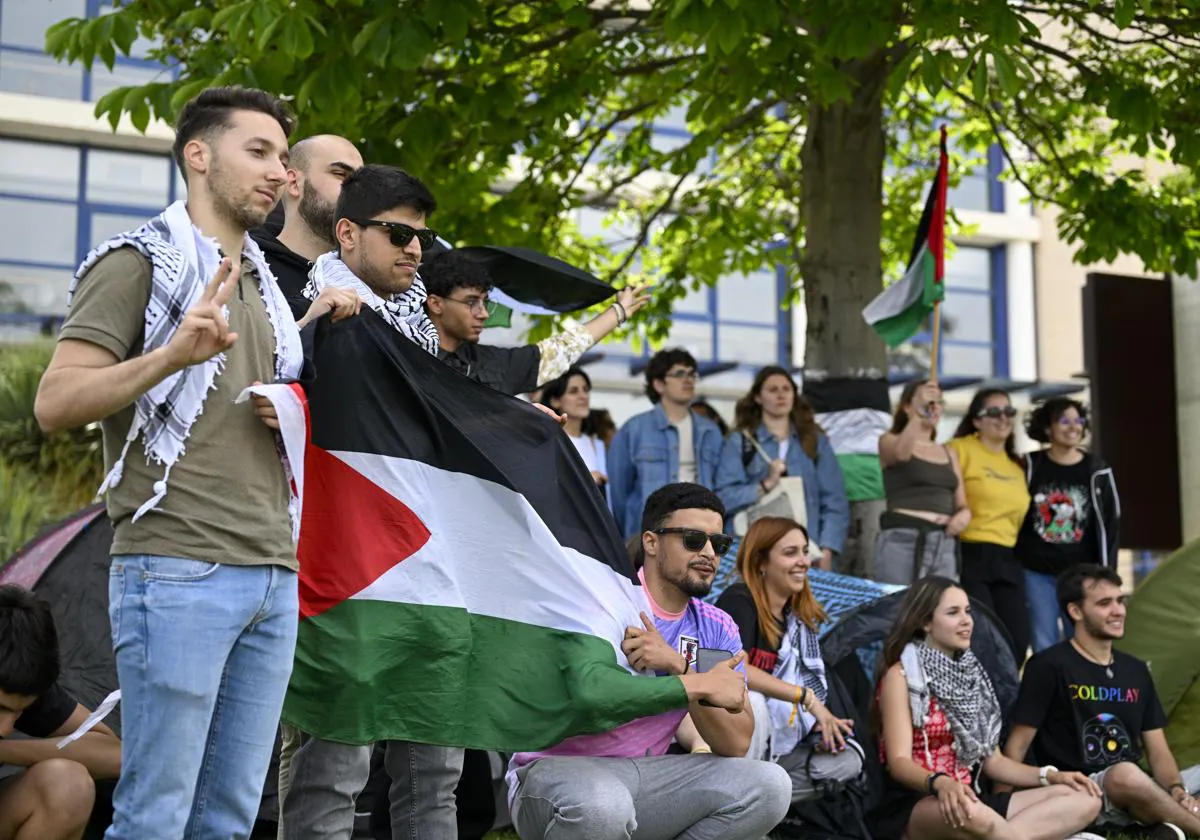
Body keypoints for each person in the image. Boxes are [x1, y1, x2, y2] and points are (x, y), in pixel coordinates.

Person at [33, 86, 342, 840]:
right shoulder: (138, 263)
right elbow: (56, 402)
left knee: (229, 822)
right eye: (258, 152)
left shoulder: (268, 294)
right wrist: (172, 355)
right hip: (176, 567)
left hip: (271, 573)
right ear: (198, 156)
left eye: (282, 157)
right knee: (155, 816)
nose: (280, 174)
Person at [505, 483, 792, 840]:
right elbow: (589, 699)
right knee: (604, 806)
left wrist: (680, 668)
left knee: (769, 785)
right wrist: (698, 682)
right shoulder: (602, 601)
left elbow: (734, 744)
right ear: (651, 542)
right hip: (555, 770)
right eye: (692, 539)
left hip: (647, 775)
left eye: (718, 544)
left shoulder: (715, 627)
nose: (708, 553)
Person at [872, 576, 1104, 840]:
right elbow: (898, 762)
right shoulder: (900, 676)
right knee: (980, 816)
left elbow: (994, 763)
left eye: (968, 611)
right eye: (953, 613)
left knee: (1086, 797)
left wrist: (1051, 776)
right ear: (925, 622)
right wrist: (940, 782)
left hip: (971, 797)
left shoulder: (973, 676)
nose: (966, 621)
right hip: (918, 801)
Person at [1004, 564, 1200, 839]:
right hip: (1083, 792)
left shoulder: (1136, 670)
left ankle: (1163, 823)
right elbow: (1018, 745)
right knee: (1125, 774)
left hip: (1140, 789)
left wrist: (1177, 790)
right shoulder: (1049, 665)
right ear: (1075, 612)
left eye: (1120, 601)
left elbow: (1158, 750)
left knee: (1157, 776)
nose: (1118, 611)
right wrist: (1000, 806)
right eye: (1105, 603)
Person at [714, 517, 865, 802]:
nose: (804, 561)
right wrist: (805, 698)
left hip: (777, 746)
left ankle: (757, 806)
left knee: (848, 760)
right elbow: (733, 668)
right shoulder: (738, 600)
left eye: (805, 551)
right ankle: (735, 804)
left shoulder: (797, 623)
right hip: (733, 735)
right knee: (755, 703)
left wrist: (813, 730)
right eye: (790, 553)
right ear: (761, 562)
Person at [422, 249, 650, 395]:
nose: (483, 314)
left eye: (485, 303)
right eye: (472, 302)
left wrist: (617, 313)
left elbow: (557, 352)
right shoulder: (399, 354)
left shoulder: (490, 362)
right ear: (436, 303)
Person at [0, 585, 121, 840]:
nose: (6, 728)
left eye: (19, 713)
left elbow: (115, 754)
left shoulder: (18, 679)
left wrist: (6, 750)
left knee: (66, 785)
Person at [714, 366, 850, 570]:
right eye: (773, 389)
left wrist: (828, 548)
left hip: (806, 554)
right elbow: (723, 498)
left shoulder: (814, 441)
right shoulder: (741, 441)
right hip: (754, 555)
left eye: (787, 389)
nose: (781, 395)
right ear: (758, 398)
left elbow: (834, 501)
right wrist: (764, 485)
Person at [1017, 399, 1120, 653]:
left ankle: (1078, 690)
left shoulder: (1097, 469)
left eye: (1078, 420)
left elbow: (1110, 523)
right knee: (1043, 641)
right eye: (1064, 420)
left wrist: (1107, 574)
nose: (1073, 427)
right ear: (1048, 427)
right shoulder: (1030, 465)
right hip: (1036, 571)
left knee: (1083, 639)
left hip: (1081, 576)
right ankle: (1052, 691)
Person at [947, 388, 1032, 665]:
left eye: (1009, 412)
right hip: (971, 551)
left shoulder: (1017, 465)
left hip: (1009, 556)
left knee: (1018, 640)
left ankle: (1004, 703)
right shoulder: (959, 449)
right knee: (981, 637)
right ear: (976, 420)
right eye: (994, 412)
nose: (1003, 418)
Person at [607, 349, 725, 538]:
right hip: (649, 533)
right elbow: (619, 495)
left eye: (691, 374)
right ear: (659, 384)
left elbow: (721, 487)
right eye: (679, 374)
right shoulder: (633, 430)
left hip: (700, 532)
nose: (688, 380)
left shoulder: (710, 431)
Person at [251, 134, 364, 318]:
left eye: (362, 182)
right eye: (341, 174)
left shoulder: (369, 277)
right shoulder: (249, 269)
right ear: (294, 182)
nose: (358, 190)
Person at [876, 379, 971, 585]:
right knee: (898, 606)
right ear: (907, 407)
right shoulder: (889, 440)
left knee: (939, 607)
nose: (933, 406)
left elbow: (961, 502)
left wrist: (964, 516)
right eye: (927, 401)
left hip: (943, 540)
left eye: (938, 402)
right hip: (905, 537)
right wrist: (919, 415)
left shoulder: (949, 452)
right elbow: (901, 454)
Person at [539, 366, 607, 488]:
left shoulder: (597, 445)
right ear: (555, 400)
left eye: (585, 390)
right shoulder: (547, 442)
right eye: (573, 391)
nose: (583, 396)